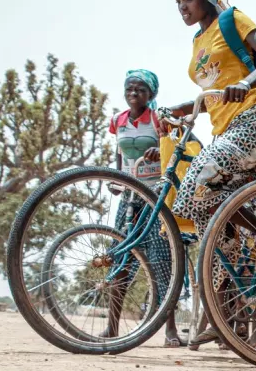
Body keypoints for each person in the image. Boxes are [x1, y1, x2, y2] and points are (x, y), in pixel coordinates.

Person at [165, 0, 256, 351]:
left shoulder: (232, 19)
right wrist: (185, 108)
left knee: (191, 192)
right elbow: (213, 91)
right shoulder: (196, 43)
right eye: (177, 1)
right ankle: (223, 317)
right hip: (224, 130)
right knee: (211, 228)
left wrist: (245, 82)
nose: (181, 7)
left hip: (254, 122)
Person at [106, 69, 183, 347]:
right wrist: (116, 179)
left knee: (163, 261)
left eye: (139, 89)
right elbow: (119, 152)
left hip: (156, 197)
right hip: (129, 196)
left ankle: (170, 330)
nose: (133, 94)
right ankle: (111, 327)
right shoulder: (118, 121)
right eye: (129, 88)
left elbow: (175, 148)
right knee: (120, 258)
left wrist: (160, 150)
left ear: (151, 94)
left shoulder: (158, 118)